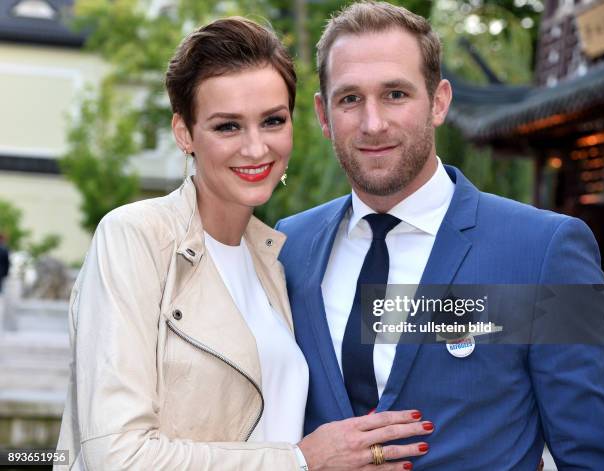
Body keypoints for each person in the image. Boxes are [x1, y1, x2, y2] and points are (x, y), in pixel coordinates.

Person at [55, 17, 433, 471]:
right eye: (227, 127)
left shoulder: (277, 256)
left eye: (272, 121)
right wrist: (300, 461)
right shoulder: (137, 237)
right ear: (184, 133)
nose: (256, 149)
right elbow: (114, 455)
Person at [276, 2, 604, 470]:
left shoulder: (543, 250)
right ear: (323, 113)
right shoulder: (288, 246)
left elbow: (594, 453)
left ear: (439, 101)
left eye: (395, 93)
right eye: (350, 98)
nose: (373, 123)